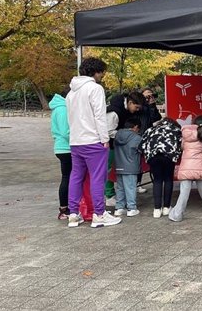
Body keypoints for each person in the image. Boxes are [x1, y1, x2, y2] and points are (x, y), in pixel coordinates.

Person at [66, 57, 121, 228]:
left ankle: (73, 214)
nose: (102, 76)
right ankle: (99, 214)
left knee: (76, 177)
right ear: (96, 72)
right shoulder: (95, 89)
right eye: (102, 73)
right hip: (93, 140)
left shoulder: (70, 93)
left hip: (76, 141)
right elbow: (100, 116)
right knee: (98, 178)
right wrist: (105, 138)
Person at [168, 115, 202, 222]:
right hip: (200, 167)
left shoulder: (185, 135)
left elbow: (182, 147)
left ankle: (177, 214)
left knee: (184, 193)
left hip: (187, 167)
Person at [105, 91, 146, 204]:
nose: (137, 110)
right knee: (109, 168)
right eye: (136, 107)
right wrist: (125, 134)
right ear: (130, 102)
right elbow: (108, 131)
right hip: (108, 144)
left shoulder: (125, 110)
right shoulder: (114, 113)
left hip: (117, 143)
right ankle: (109, 195)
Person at [140, 117, 182, 218]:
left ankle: (157, 209)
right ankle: (166, 208)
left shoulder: (150, 130)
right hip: (169, 157)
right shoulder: (176, 130)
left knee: (157, 180)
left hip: (153, 157)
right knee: (168, 179)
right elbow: (181, 145)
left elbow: (141, 146)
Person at [113, 117, 142, 217]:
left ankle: (119, 208)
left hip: (119, 165)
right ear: (135, 127)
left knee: (120, 188)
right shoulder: (136, 138)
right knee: (130, 187)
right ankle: (131, 208)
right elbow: (141, 150)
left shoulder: (117, 135)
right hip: (131, 166)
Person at [136, 87, 163, 193]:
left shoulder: (151, 106)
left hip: (148, 136)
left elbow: (156, 118)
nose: (149, 98)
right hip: (138, 135)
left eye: (150, 95)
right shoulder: (139, 107)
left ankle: (151, 181)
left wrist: (152, 105)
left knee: (146, 161)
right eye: (147, 96)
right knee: (137, 161)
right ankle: (137, 183)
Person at [50, 86, 71, 220]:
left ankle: (65, 207)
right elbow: (65, 131)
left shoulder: (59, 107)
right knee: (67, 178)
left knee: (67, 177)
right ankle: (64, 208)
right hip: (66, 148)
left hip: (62, 147)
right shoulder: (63, 109)